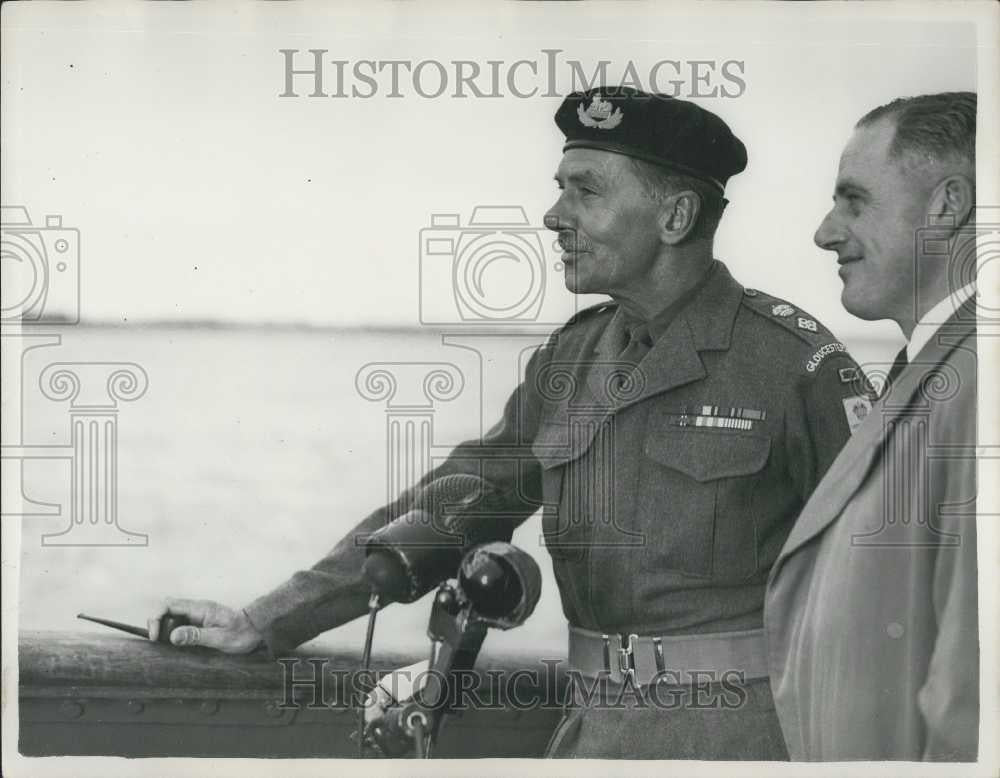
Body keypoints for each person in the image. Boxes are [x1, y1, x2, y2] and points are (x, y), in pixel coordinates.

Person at [150, 87, 868, 759]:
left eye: (585, 191)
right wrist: (271, 617)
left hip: (745, 740)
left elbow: (879, 584)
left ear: (676, 217)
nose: (555, 216)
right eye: (560, 190)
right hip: (591, 730)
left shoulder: (794, 367)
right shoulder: (574, 354)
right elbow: (460, 500)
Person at [764, 92, 979, 761]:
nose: (826, 231)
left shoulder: (980, 381)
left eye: (854, 200)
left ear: (947, 205)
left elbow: (976, 703)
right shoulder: (943, 368)